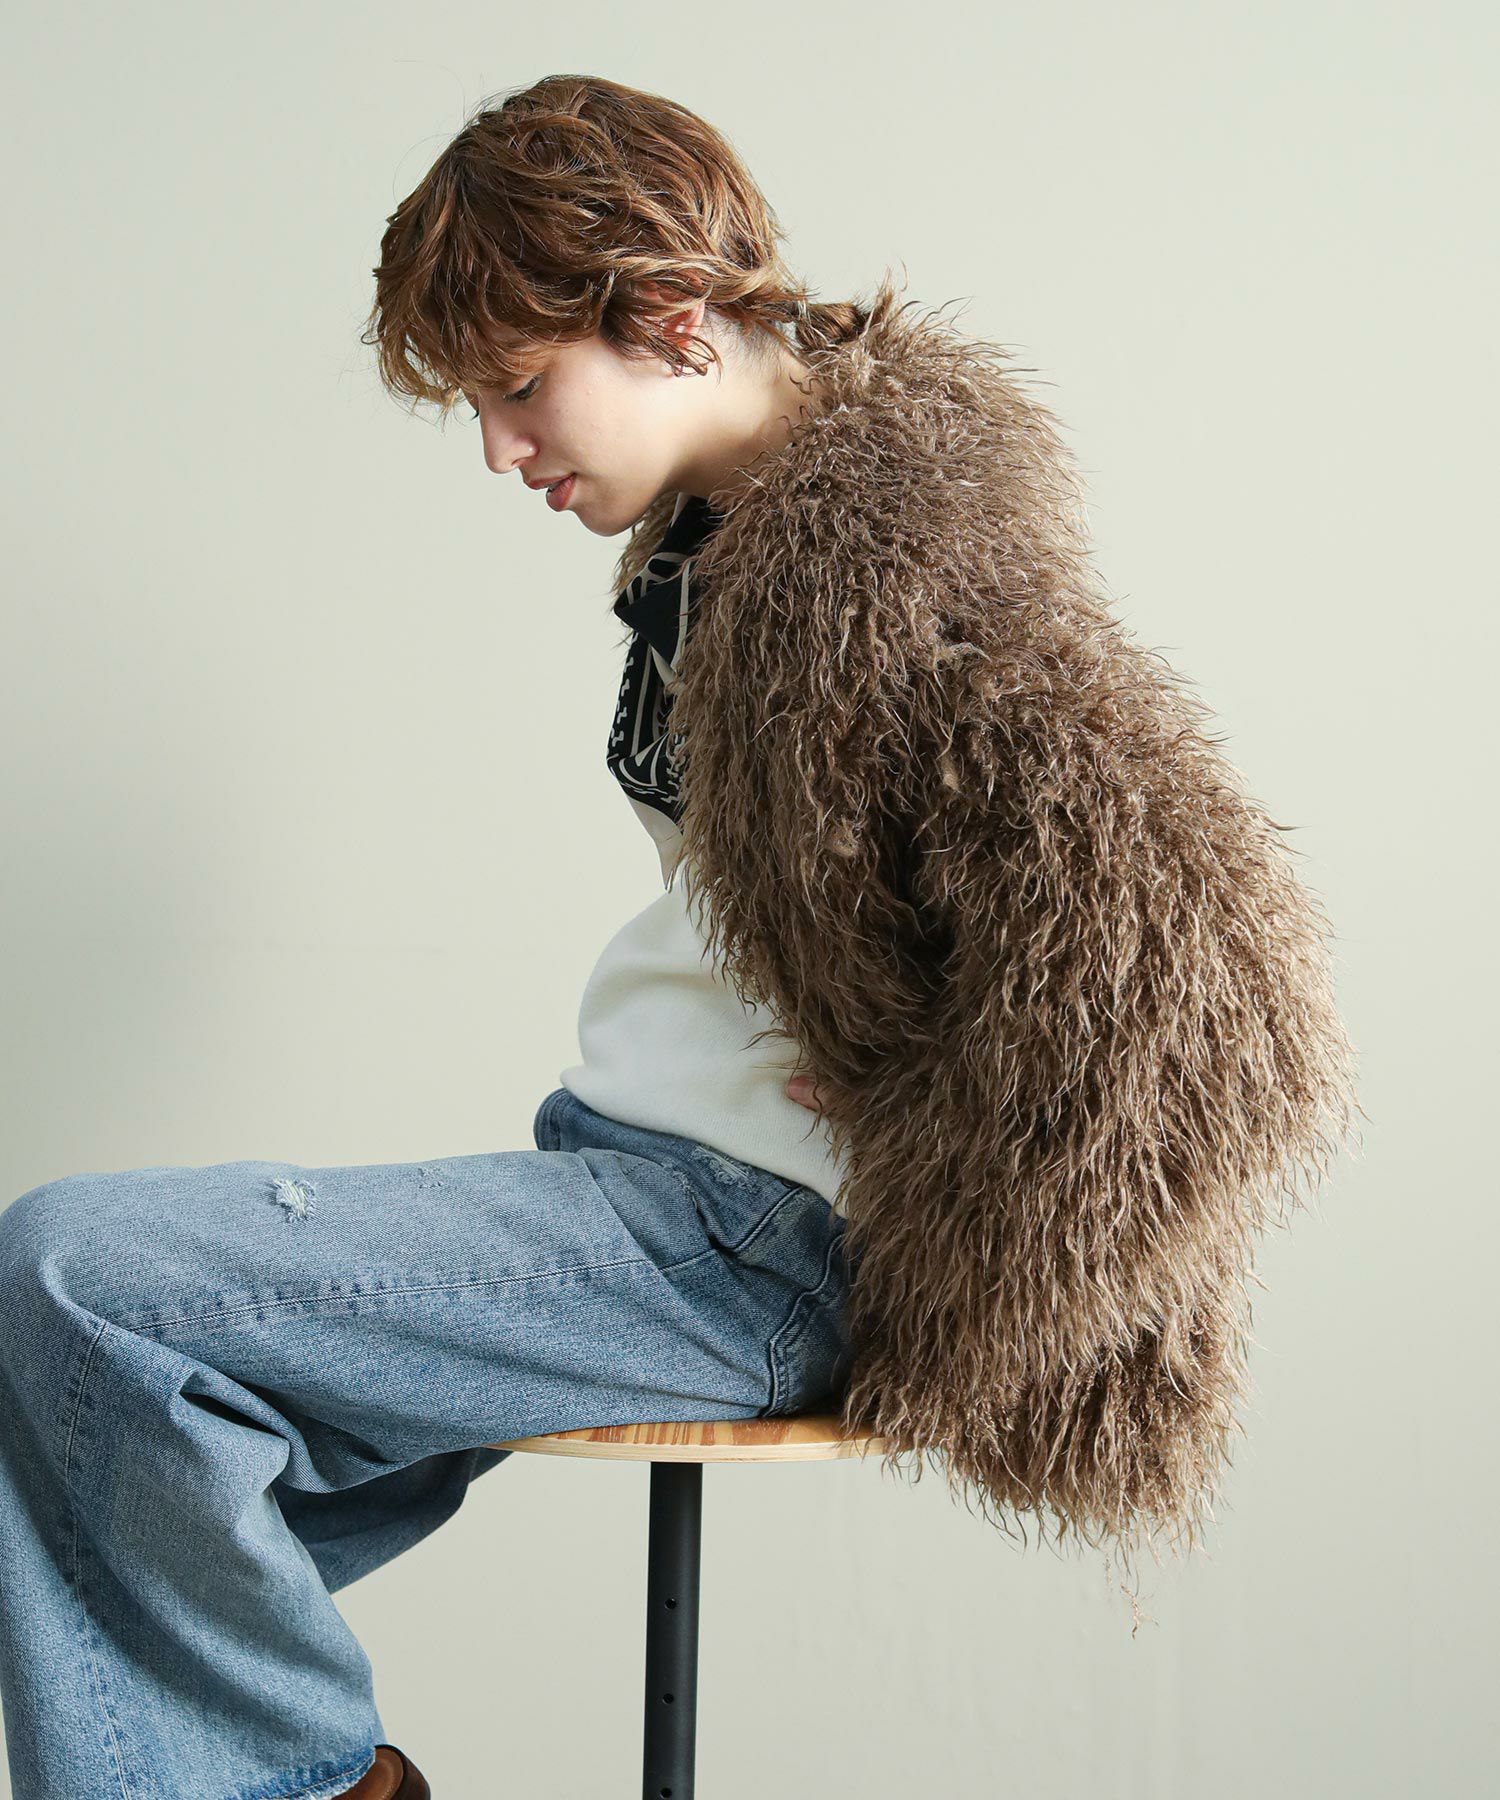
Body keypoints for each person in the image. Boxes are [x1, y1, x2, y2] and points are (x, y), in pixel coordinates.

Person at [0, 73, 871, 1800]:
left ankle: (309, 1783)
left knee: (69, 1277)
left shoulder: (896, 575)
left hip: (748, 1240)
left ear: (670, 315)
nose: (499, 449)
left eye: (521, 386)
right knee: (77, 1430)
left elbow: (1139, 954)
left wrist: (948, 1117)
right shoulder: (718, 545)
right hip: (641, 1176)